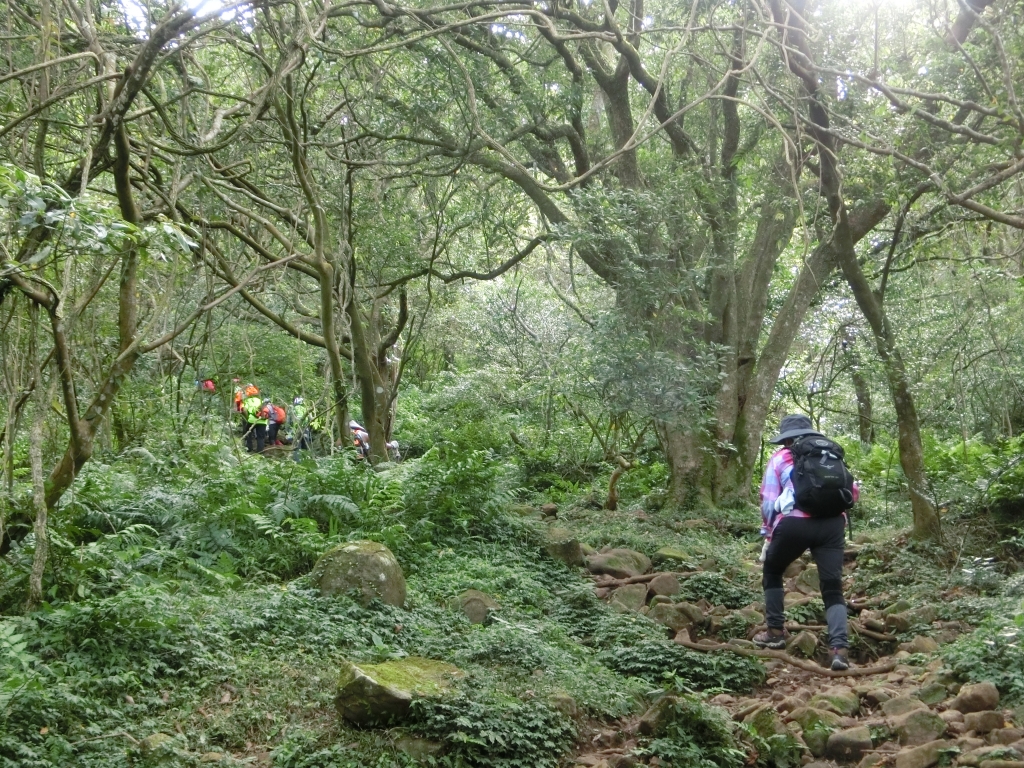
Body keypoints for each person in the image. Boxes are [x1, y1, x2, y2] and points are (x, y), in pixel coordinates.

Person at [754, 414, 858, 671]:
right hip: (833, 525)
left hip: (794, 525)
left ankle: (776, 633)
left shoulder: (780, 458)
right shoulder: (831, 453)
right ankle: (839, 650)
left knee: (773, 570)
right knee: (833, 586)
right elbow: (851, 491)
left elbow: (769, 501)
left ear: (787, 438)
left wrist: (768, 532)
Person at [242, 384, 268, 454]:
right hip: (262, 421)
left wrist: (247, 417)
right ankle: (260, 452)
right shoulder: (260, 400)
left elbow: (244, 410)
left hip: (252, 420)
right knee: (261, 437)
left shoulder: (247, 401)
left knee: (248, 433)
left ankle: (249, 448)